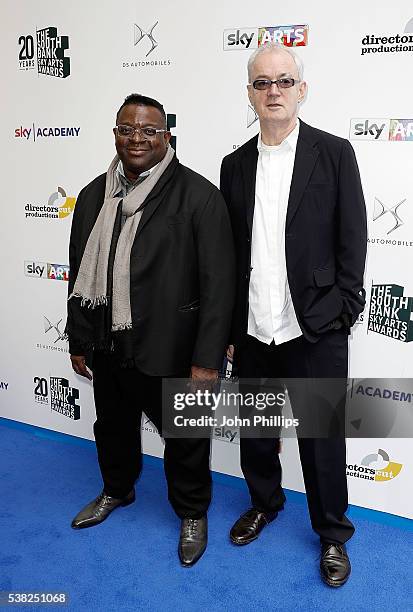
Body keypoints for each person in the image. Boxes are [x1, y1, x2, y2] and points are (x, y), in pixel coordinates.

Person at [66, 93, 235, 567]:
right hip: (109, 342)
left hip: (175, 349)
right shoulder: (95, 195)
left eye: (148, 130)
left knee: (186, 442)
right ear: (116, 133)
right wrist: (80, 339)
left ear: (167, 137)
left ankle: (193, 513)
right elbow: (81, 268)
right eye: (126, 128)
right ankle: (116, 490)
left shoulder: (199, 196)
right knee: (112, 428)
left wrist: (207, 360)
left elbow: (219, 286)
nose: (136, 137)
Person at [220, 44, 367, 587]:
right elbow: (231, 252)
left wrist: (343, 310)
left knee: (323, 440)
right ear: (251, 94)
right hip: (255, 326)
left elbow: (354, 241)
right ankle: (265, 502)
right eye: (262, 83)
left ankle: (332, 533)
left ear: (301, 89)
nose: (273, 91)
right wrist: (230, 329)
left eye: (284, 81)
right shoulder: (233, 166)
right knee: (257, 431)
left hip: (316, 325)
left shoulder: (334, 153)